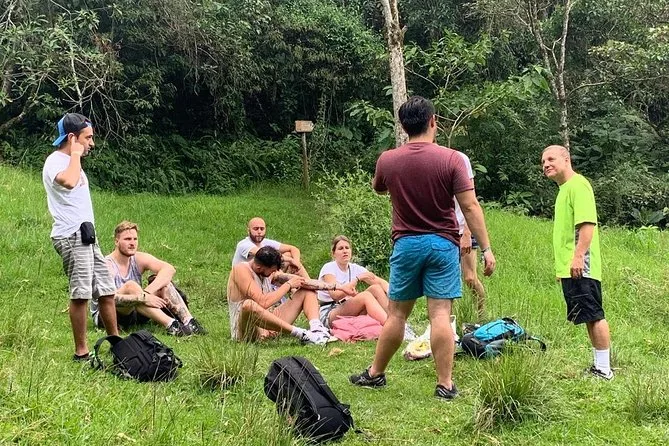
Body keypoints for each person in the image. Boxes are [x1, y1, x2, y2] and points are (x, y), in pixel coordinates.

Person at [349, 96, 496, 400]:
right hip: (443, 245)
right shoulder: (452, 159)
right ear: (433, 121)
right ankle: (445, 384)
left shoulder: (388, 159)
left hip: (406, 245)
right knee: (440, 314)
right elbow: (470, 206)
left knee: (396, 315)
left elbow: (379, 188)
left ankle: (375, 374)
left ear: (403, 127)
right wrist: (486, 249)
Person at [42, 112, 119, 361]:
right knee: (81, 294)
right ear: (72, 138)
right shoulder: (55, 161)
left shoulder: (72, 161)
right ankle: (81, 352)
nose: (92, 143)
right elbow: (68, 182)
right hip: (71, 236)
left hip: (87, 235)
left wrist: (75, 156)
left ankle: (117, 343)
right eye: (88, 138)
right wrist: (75, 154)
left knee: (106, 290)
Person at [542, 145, 612, 380]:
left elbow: (587, 225)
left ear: (566, 159)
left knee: (594, 314)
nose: (546, 164)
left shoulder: (578, 185)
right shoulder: (564, 189)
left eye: (551, 159)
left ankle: (604, 370)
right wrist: (563, 268)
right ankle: (599, 366)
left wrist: (578, 256)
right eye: (543, 162)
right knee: (587, 316)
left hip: (583, 265)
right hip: (571, 267)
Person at [90, 221, 206, 336]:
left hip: (136, 311)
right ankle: (172, 325)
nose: (132, 243)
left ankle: (189, 322)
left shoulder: (138, 258)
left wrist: (147, 293)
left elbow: (169, 269)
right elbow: (108, 299)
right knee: (131, 286)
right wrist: (142, 298)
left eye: (135, 239)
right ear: (116, 241)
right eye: (127, 239)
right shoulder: (107, 265)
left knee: (163, 284)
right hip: (108, 315)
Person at [317, 235, 417, 340]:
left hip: (348, 307)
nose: (345, 251)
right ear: (333, 253)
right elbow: (336, 295)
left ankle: (398, 323)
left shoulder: (354, 268)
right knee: (365, 296)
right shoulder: (329, 268)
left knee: (376, 288)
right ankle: (393, 329)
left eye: (347, 248)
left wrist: (395, 294)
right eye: (340, 248)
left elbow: (378, 281)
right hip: (330, 312)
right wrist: (357, 279)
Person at [227, 246, 331, 344]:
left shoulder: (266, 272)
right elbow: (262, 302)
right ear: (259, 267)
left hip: (268, 325)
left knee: (306, 290)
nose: (274, 273)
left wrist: (336, 287)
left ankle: (317, 330)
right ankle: (302, 334)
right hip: (247, 330)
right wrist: (288, 285)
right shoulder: (241, 270)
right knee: (248, 305)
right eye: (272, 270)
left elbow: (303, 282)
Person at [453, 151, 486, 319]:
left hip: (464, 226)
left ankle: (481, 314)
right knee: (449, 281)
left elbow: (471, 204)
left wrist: (467, 232)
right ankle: (452, 319)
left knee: (470, 278)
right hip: (446, 231)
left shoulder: (460, 160)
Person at [232, 217, 304, 271]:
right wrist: (290, 260)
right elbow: (265, 254)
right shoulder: (243, 244)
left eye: (262, 229)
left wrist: (296, 262)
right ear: (248, 231)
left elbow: (293, 249)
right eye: (256, 229)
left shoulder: (266, 242)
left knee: (289, 254)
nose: (259, 232)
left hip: (263, 274)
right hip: (246, 278)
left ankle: (308, 282)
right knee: (283, 258)